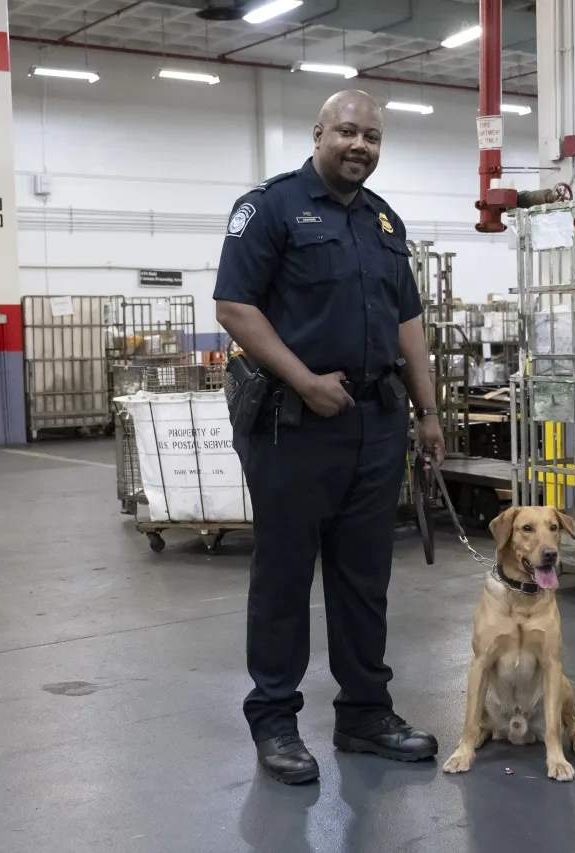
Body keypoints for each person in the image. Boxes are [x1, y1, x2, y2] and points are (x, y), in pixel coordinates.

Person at [214, 89, 446, 785]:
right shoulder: (271, 208)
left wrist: (427, 412)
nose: (360, 146)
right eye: (348, 131)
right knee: (284, 574)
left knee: (363, 575)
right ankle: (276, 719)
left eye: (372, 136)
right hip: (294, 422)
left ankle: (365, 714)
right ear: (319, 132)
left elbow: (409, 324)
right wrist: (305, 379)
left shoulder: (384, 222)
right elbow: (234, 306)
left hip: (375, 422)